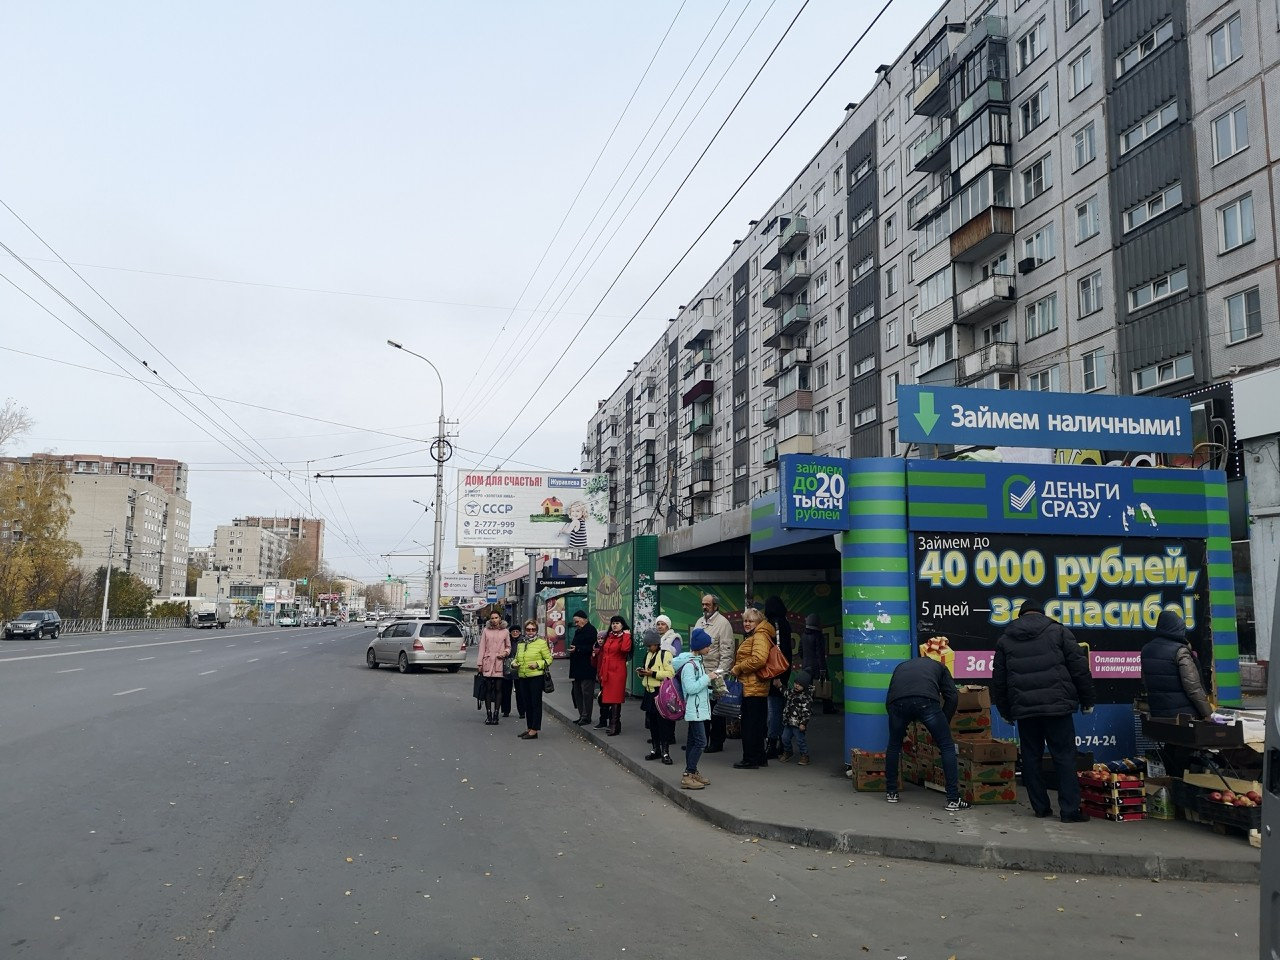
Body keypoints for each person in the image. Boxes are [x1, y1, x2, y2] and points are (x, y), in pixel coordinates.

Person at [992, 598, 1096, 823]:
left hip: (1026, 710)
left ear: (1021, 615)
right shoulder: (1058, 632)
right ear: (1041, 613)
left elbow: (999, 680)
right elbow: (1079, 668)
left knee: (1030, 757)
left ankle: (1040, 807)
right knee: (1064, 757)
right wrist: (1087, 700)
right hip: (1056, 707)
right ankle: (1069, 810)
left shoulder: (1006, 639)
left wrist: (1005, 711)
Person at [883, 653, 964, 810]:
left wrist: (903, 733)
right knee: (946, 745)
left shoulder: (901, 666)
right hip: (926, 701)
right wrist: (944, 723)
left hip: (897, 703)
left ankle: (891, 791)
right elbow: (952, 697)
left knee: (894, 744)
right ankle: (953, 799)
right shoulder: (939, 667)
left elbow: (890, 699)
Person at [1141, 610, 1213, 720]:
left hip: (1158, 714)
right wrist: (1208, 713)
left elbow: (1146, 683)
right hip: (1184, 716)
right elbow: (1193, 687)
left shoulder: (1146, 650)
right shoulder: (1180, 651)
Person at [730, 607, 774, 770]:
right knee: (756, 724)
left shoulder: (760, 636)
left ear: (758, 622)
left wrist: (738, 668)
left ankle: (750, 759)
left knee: (750, 725)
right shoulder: (758, 635)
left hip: (752, 687)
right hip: (754, 686)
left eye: (750, 621)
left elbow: (759, 659)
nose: (746, 624)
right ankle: (759, 756)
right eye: (745, 621)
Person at [694, 594, 736, 753]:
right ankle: (701, 741)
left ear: (716, 606)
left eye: (708, 605)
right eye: (703, 604)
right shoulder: (700, 621)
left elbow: (727, 652)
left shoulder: (723, 624)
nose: (704, 607)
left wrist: (720, 674)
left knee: (716, 711)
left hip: (714, 674)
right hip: (699, 673)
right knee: (700, 708)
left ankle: (717, 742)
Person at [674, 628, 715, 790]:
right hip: (694, 710)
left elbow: (698, 687)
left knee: (693, 742)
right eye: (707, 646)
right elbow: (690, 688)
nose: (709, 648)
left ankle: (692, 771)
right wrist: (708, 678)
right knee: (701, 742)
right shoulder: (690, 665)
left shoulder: (697, 662)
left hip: (698, 708)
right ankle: (688, 774)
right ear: (700, 646)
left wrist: (712, 690)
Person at [638, 627, 675, 763]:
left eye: (650, 645)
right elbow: (647, 670)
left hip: (660, 692)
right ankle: (656, 749)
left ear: (657, 643)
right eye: (647, 646)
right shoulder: (648, 654)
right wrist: (642, 673)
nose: (648, 648)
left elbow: (670, 674)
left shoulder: (666, 654)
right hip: (649, 691)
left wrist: (653, 674)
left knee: (663, 723)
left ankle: (665, 751)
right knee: (652, 723)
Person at [511, 618, 553, 740]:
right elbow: (517, 658)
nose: (530, 632)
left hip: (536, 677)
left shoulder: (541, 643)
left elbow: (549, 659)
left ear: (536, 630)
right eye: (528, 629)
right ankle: (529, 727)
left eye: (533, 629)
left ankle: (535, 729)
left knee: (535, 703)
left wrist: (537, 664)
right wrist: (514, 664)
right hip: (523, 676)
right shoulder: (521, 643)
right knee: (527, 703)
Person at [763, 595, 793, 759]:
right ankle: (783, 742)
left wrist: (776, 675)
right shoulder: (785, 622)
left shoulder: (774, 623)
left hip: (776, 672)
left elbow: (778, 650)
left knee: (774, 709)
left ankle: (772, 744)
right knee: (781, 707)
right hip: (784, 670)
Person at [593, 615, 632, 736]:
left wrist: (626, 635)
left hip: (617, 670)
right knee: (607, 697)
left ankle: (615, 725)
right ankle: (612, 723)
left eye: (617, 623)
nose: (615, 625)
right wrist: (600, 671)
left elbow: (625, 649)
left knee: (615, 698)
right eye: (613, 623)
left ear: (622, 625)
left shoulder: (624, 637)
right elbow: (604, 653)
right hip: (607, 670)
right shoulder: (609, 636)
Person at [476, 611, 511, 725]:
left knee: (498, 689)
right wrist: (479, 663)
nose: (494, 620)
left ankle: (496, 714)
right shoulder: (486, 631)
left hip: (499, 662)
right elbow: (482, 647)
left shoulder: (505, 631)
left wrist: (505, 653)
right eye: (492, 618)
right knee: (487, 690)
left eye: (496, 617)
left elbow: (508, 647)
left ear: (500, 618)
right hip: (487, 662)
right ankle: (488, 714)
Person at [567, 609, 598, 726]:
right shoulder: (578, 631)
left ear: (584, 620)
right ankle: (581, 715)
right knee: (577, 692)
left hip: (587, 666)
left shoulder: (591, 630)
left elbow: (593, 647)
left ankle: (586, 716)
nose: (576, 624)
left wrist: (578, 649)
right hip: (577, 667)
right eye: (575, 622)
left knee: (586, 692)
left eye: (577, 621)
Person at [779, 669, 813, 765]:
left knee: (800, 740)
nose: (797, 686)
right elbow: (785, 692)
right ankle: (788, 751)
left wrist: (803, 723)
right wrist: (780, 686)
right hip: (788, 722)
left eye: (800, 684)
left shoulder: (806, 697)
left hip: (798, 724)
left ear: (805, 686)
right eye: (796, 683)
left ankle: (805, 755)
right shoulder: (792, 693)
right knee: (784, 738)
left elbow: (807, 712)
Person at [501, 623, 525, 719]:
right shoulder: (507, 641)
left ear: (520, 632)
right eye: (513, 631)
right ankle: (506, 711)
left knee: (520, 692)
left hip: (519, 668)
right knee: (506, 692)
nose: (515, 633)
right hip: (507, 668)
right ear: (510, 633)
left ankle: (522, 712)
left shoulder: (523, 641)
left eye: (517, 631)